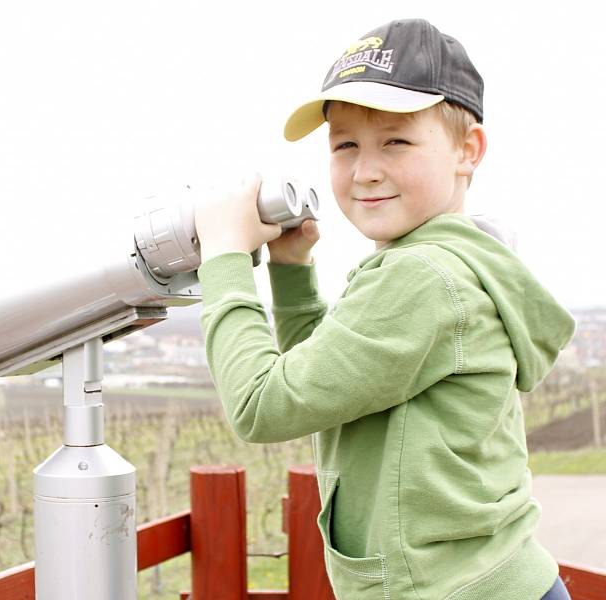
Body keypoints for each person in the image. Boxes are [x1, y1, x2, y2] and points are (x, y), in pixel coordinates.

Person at [194, 18, 575, 600]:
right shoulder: (451, 263)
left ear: (467, 150)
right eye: (345, 144)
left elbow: (261, 407)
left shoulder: (421, 276)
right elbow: (325, 386)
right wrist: (293, 274)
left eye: (395, 140)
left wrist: (222, 257)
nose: (365, 169)